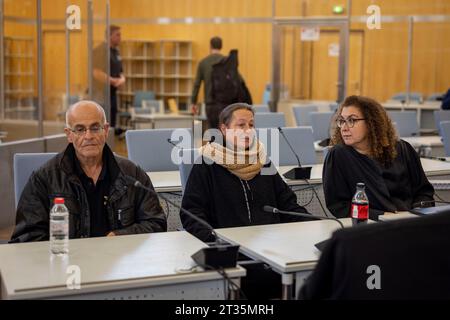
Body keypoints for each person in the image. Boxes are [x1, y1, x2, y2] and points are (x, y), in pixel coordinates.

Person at [180, 102, 310, 299]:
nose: (248, 130)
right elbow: (191, 213)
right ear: (224, 129)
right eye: (241, 125)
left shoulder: (263, 161)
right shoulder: (206, 164)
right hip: (233, 255)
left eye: (251, 124)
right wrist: (216, 243)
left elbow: (288, 205)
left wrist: (314, 227)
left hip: (272, 251)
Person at [10, 101, 166, 242]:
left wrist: (119, 236)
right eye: (80, 129)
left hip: (118, 264)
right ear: (69, 134)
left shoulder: (132, 175)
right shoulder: (44, 178)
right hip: (66, 266)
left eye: (95, 127)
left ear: (105, 130)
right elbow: (26, 238)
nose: (88, 136)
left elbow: (156, 223)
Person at [323, 95, 434, 221]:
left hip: (410, 222)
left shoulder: (402, 149)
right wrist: (379, 216)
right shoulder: (339, 156)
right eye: (342, 120)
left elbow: (423, 191)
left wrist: (417, 212)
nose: (344, 127)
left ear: (371, 123)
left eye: (352, 120)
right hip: (369, 226)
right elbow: (339, 206)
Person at [93, 25, 126, 134]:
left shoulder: (116, 52)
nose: (120, 37)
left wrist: (122, 79)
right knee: (101, 121)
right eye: (117, 35)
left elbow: (120, 72)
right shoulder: (100, 50)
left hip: (112, 93)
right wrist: (113, 81)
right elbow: (96, 72)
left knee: (110, 122)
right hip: (100, 93)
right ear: (109, 36)